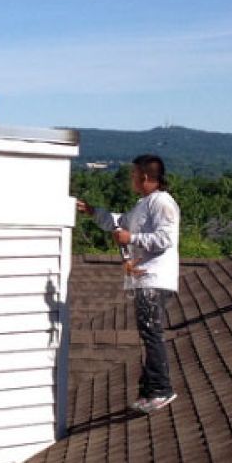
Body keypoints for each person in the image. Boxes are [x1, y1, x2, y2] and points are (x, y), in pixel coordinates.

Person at [77, 154, 180, 414]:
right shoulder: (144, 204)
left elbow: (165, 238)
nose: (131, 179)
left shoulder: (163, 203)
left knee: (151, 332)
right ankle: (149, 390)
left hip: (154, 278)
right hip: (144, 279)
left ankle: (160, 389)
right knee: (148, 332)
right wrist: (92, 211)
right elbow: (119, 222)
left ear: (145, 176)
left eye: (134, 174)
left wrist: (131, 237)